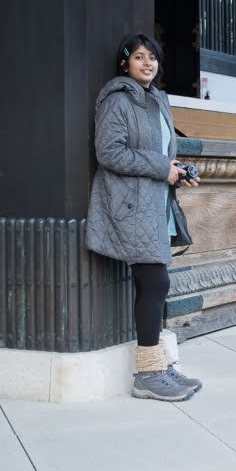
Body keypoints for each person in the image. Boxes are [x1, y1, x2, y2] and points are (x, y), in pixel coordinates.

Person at [86, 33, 202, 402]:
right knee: (155, 284)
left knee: (156, 285)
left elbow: (160, 152)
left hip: (155, 204)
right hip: (132, 207)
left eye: (152, 57)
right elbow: (109, 152)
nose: (147, 63)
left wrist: (178, 171)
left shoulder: (157, 100)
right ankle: (148, 373)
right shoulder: (117, 101)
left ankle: (157, 365)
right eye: (139, 57)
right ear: (125, 63)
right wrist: (160, 168)